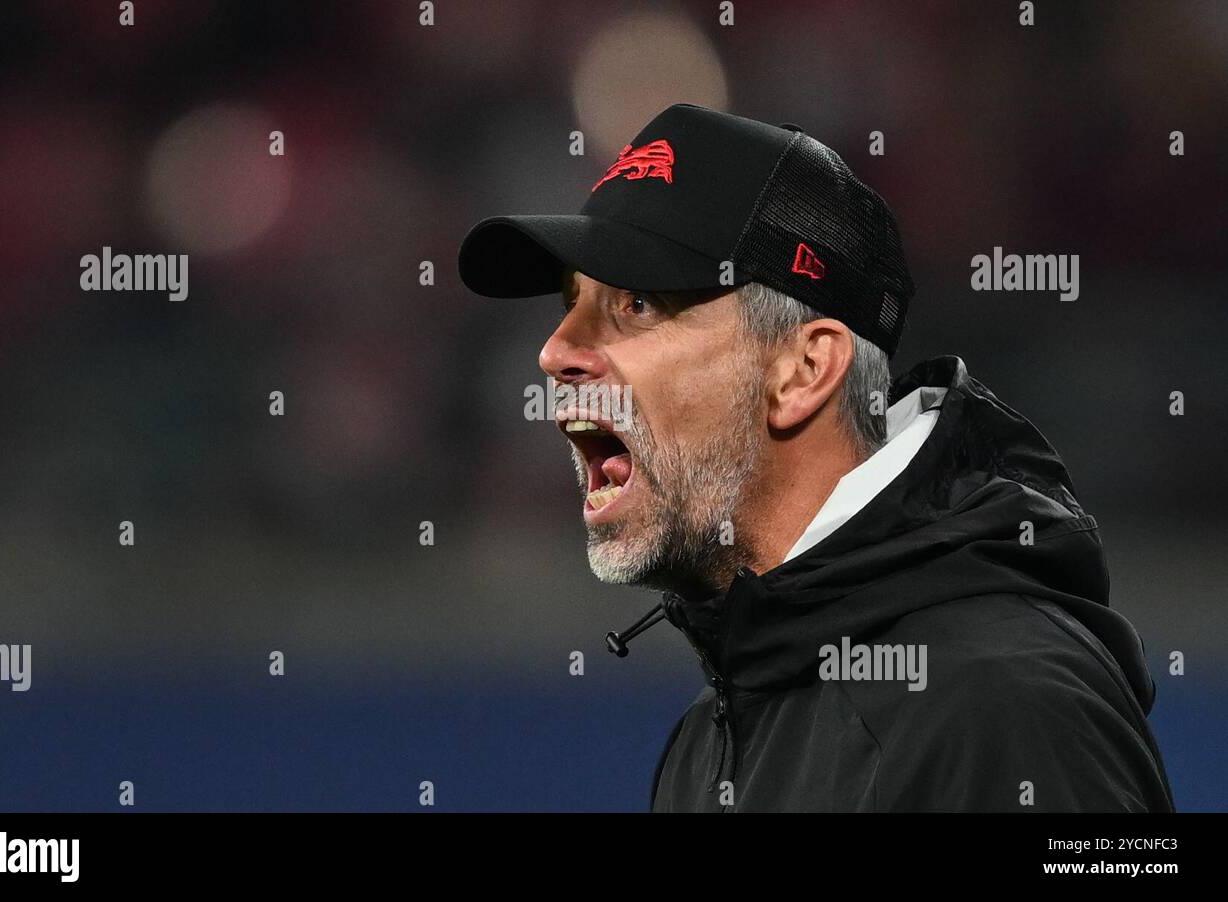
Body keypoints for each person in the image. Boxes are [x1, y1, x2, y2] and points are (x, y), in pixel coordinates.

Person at [458, 103, 1175, 812]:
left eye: (636, 304)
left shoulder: (1006, 711)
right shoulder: (708, 739)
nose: (554, 352)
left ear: (804, 370)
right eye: (569, 303)